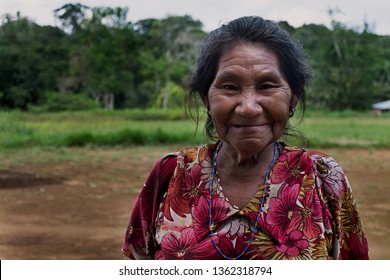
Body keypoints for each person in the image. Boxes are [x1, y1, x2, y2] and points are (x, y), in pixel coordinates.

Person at [122, 16, 369, 260]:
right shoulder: (171, 175)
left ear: (292, 97)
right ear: (206, 99)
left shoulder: (323, 178)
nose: (248, 108)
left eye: (267, 86)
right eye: (229, 87)